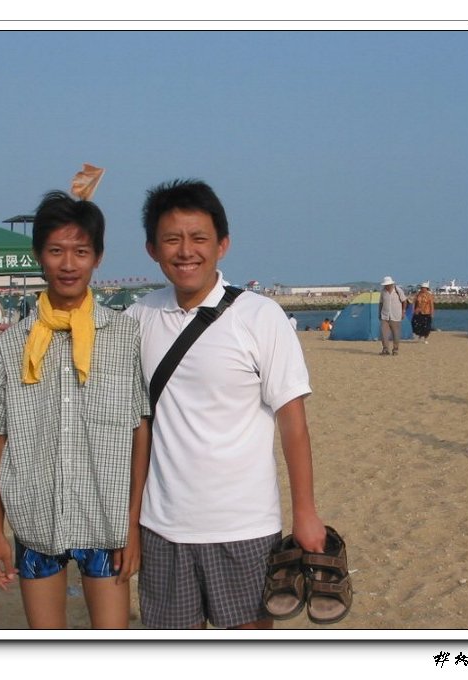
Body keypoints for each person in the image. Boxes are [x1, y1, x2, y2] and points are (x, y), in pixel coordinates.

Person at [125, 179, 326, 630]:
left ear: (222, 245)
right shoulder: (139, 316)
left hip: (245, 528)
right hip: (163, 528)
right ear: (152, 249)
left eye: (198, 238)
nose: (186, 251)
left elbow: (293, 423)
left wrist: (305, 513)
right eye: (171, 240)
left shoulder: (259, 316)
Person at [0, 190, 151, 629]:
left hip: (106, 521)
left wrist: (132, 526)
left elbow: (139, 430)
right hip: (35, 519)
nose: (68, 264)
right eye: (56, 251)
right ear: (39, 255)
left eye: (80, 251)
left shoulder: (125, 337)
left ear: (98, 257)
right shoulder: (12, 346)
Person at [378, 275, 407, 355]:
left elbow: (404, 301)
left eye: (387, 285)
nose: (386, 286)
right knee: (383, 333)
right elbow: (381, 303)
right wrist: (379, 313)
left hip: (396, 315)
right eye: (385, 285)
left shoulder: (398, 290)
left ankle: (395, 349)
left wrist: (403, 311)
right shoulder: (383, 292)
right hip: (385, 315)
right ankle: (385, 349)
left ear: (391, 284)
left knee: (396, 333)